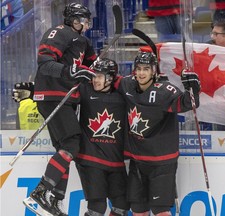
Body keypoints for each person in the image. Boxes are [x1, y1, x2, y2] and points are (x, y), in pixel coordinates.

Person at [20, 3, 97, 216]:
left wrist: (99, 69)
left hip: (66, 98)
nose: (85, 24)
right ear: (72, 19)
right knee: (72, 142)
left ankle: (55, 200)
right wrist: (70, 72)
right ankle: (41, 192)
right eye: (81, 20)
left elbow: (92, 67)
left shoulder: (84, 41)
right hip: (53, 95)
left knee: (64, 149)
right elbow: (44, 63)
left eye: (86, 20)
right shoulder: (59, 33)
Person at [114, 51, 200, 216]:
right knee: (138, 209)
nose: (141, 73)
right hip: (138, 161)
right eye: (138, 69)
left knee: (161, 211)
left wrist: (193, 88)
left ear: (154, 71)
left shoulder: (165, 91)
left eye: (146, 69)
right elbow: (109, 80)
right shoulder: (128, 85)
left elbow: (188, 103)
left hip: (162, 163)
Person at [75, 58, 130, 216]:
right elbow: (63, 92)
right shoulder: (85, 90)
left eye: (99, 76)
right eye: (93, 76)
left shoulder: (123, 94)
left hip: (115, 161)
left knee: (122, 205)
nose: (95, 80)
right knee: (97, 207)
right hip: (91, 159)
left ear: (111, 78)